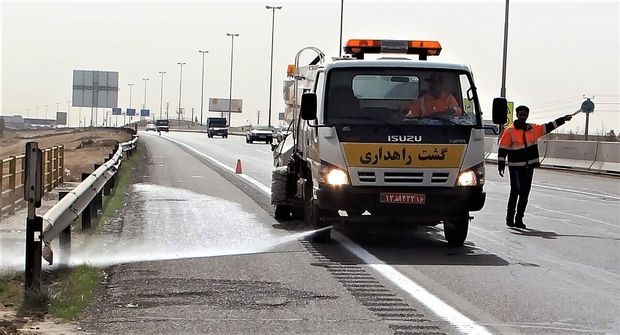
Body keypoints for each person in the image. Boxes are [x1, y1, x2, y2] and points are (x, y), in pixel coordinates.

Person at [498, 105, 572, 228]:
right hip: (515, 167)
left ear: (527, 115)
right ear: (517, 115)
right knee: (515, 192)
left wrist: (563, 119)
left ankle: (519, 220)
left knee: (525, 194)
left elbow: (548, 126)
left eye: (524, 115)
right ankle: (509, 218)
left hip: (528, 167)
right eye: (520, 114)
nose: (522, 117)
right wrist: (501, 164)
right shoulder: (510, 130)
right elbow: (503, 149)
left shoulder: (532, 128)